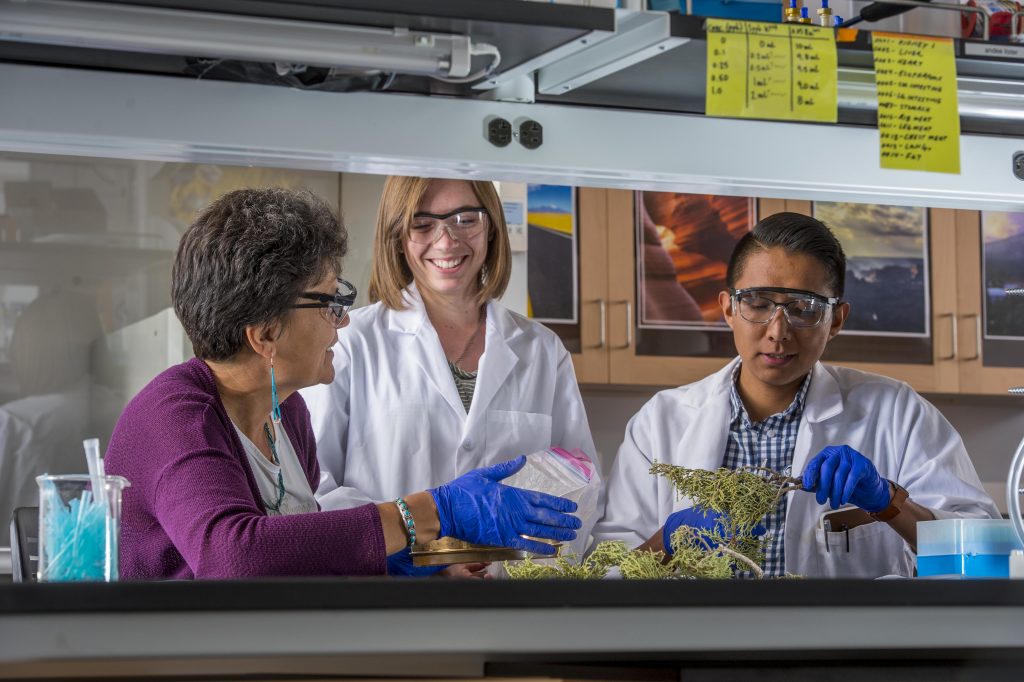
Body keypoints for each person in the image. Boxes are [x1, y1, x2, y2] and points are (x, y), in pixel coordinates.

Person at [104, 188, 580, 579]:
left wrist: (416, 563)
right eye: (330, 302)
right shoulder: (174, 413)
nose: (343, 321)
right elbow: (235, 556)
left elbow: (305, 554)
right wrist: (432, 512)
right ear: (266, 334)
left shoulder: (284, 412)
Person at [592, 212, 998, 578]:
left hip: (848, 649)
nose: (778, 331)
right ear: (728, 309)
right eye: (757, 303)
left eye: (804, 308)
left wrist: (890, 503)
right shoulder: (661, 421)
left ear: (836, 319)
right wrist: (669, 540)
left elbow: (983, 553)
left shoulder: (896, 412)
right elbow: (605, 572)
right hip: (697, 649)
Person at [302, 176, 598, 576]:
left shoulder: (542, 350)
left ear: (491, 227)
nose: (446, 241)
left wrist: (524, 567)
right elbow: (315, 491)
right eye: (422, 224)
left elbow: (580, 488)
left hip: (514, 607)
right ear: (397, 237)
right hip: (389, 605)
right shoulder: (350, 341)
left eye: (465, 219)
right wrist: (420, 559)